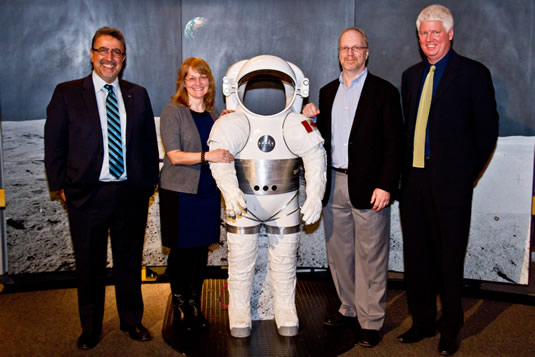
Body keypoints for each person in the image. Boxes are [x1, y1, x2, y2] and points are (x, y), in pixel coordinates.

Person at [44, 27, 159, 349]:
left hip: (130, 195)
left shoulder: (138, 93)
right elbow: (54, 144)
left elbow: (148, 145)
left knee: (129, 260)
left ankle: (131, 320)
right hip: (87, 195)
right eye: (103, 51)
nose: (110, 58)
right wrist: (60, 187)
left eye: (116, 52)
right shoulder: (67, 93)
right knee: (89, 265)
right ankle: (91, 327)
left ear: (123, 58)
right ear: (92, 54)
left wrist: (148, 183)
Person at [397, 5, 499, 356]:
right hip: (413, 184)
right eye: (424, 33)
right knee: (418, 257)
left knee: (449, 258)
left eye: (435, 32)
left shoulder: (472, 73)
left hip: (451, 185)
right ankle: (422, 322)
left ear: (450, 34)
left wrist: (464, 176)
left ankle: (451, 327)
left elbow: (487, 131)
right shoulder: (410, 76)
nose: (429, 39)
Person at [302, 27, 403, 348]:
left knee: (371, 255)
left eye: (356, 48)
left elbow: (394, 145)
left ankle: (370, 321)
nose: (350, 54)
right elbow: (320, 138)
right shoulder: (328, 91)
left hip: (370, 188)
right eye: (345, 48)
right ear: (338, 52)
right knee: (339, 252)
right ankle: (348, 308)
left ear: (367, 52)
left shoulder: (384, 92)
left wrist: (386, 185)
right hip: (334, 184)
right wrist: (307, 117)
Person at [159, 57, 233, 332]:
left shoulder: (215, 115)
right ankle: (180, 304)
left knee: (200, 253)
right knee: (181, 253)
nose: (198, 82)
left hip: (207, 193)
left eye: (202, 77)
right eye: (191, 78)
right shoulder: (173, 112)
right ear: (183, 83)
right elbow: (175, 156)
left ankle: (195, 304)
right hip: (179, 194)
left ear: (209, 81)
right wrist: (208, 155)